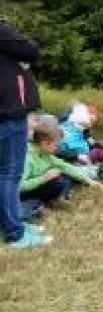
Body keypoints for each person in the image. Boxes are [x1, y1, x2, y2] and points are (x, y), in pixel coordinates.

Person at [1, 19, 49, 249]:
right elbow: (30, 49)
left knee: (6, 174)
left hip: (8, 113)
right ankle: (15, 233)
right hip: (8, 114)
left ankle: (11, 224)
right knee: (9, 175)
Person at [20, 116, 102, 208]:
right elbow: (19, 186)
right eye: (56, 145)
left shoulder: (46, 154)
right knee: (57, 181)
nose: (57, 148)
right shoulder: (27, 157)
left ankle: (53, 199)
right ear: (45, 143)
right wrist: (44, 178)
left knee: (64, 177)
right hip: (22, 193)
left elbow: (65, 167)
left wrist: (89, 181)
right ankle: (47, 201)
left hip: (37, 185)